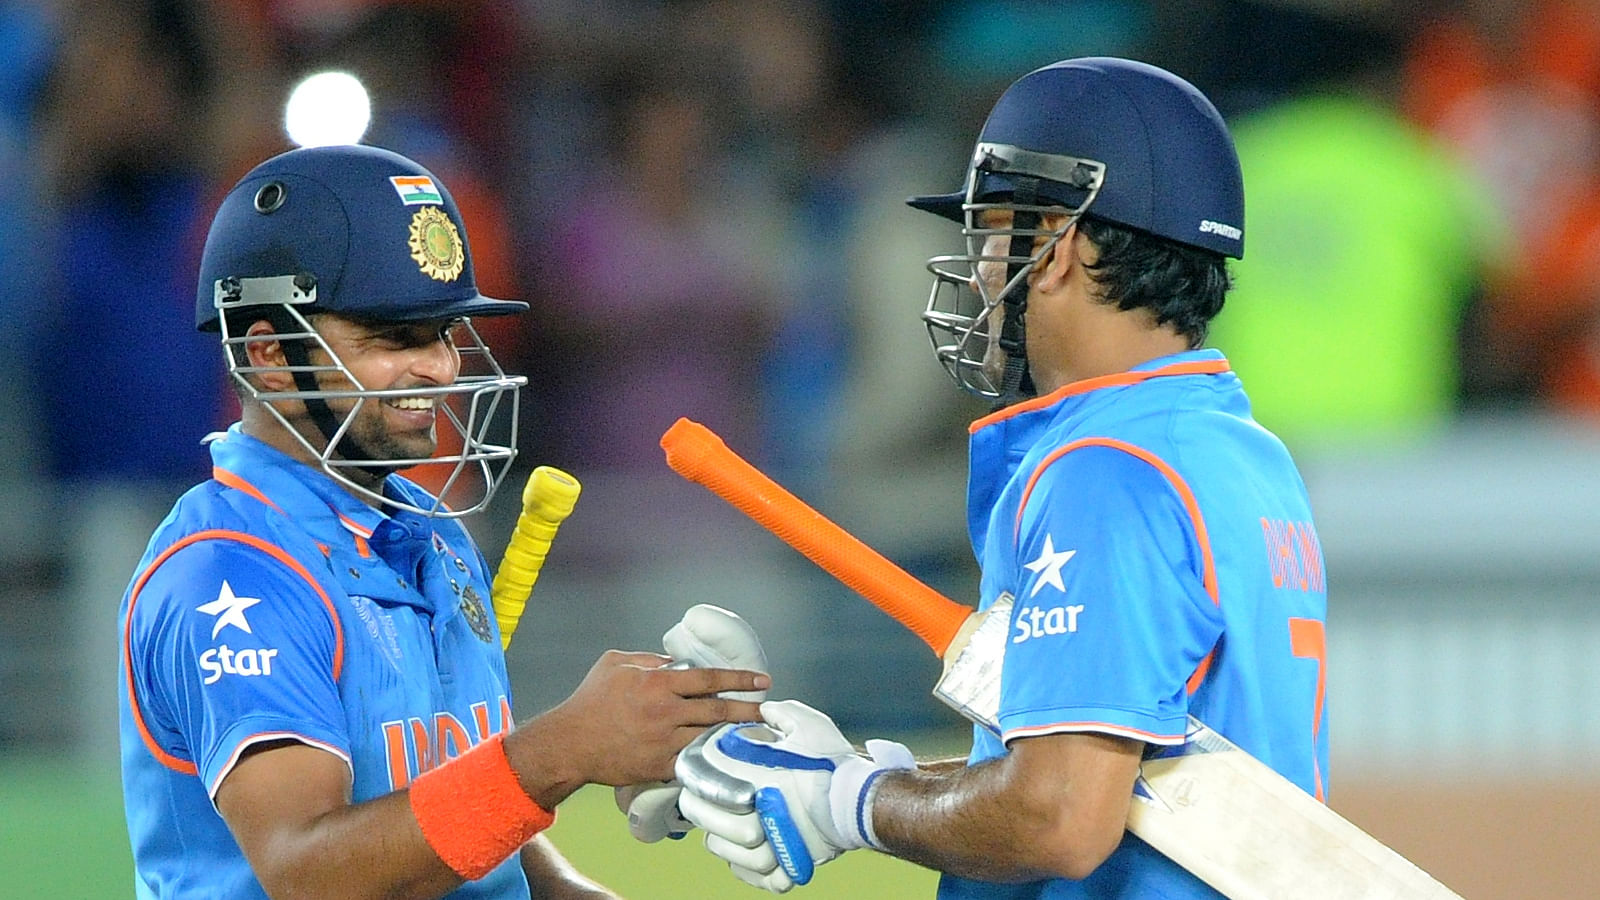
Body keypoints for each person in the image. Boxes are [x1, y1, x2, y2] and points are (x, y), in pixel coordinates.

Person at [675, 57, 1329, 899]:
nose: (979, 266)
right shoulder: (1237, 451)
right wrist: (859, 775)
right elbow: (1131, 773)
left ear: (1057, 246)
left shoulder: (1103, 472)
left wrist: (852, 804)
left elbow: (1061, 816)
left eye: (990, 230)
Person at [116, 143, 770, 899]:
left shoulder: (430, 532)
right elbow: (307, 873)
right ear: (268, 356)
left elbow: (467, 829)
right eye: (396, 338)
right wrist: (561, 751)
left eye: (443, 333)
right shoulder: (231, 573)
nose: (443, 368)